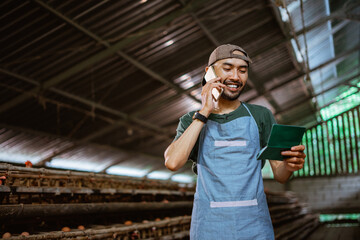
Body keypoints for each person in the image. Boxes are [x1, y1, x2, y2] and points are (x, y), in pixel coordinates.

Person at [164, 44, 306, 239]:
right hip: (209, 228)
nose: (236, 77)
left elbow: (281, 175)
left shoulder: (261, 116)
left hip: (254, 227)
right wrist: (204, 112)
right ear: (210, 72)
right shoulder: (192, 120)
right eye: (227, 68)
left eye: (242, 70)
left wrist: (290, 165)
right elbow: (172, 162)